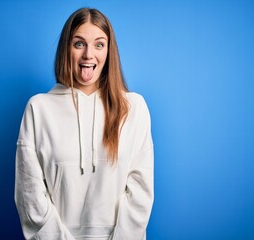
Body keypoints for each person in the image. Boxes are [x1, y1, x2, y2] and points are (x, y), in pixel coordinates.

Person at [15, 7, 154, 240]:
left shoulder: (133, 108)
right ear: (66, 49)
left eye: (99, 44)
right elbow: (29, 195)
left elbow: (141, 192)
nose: (89, 54)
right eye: (79, 44)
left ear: (109, 52)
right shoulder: (38, 109)